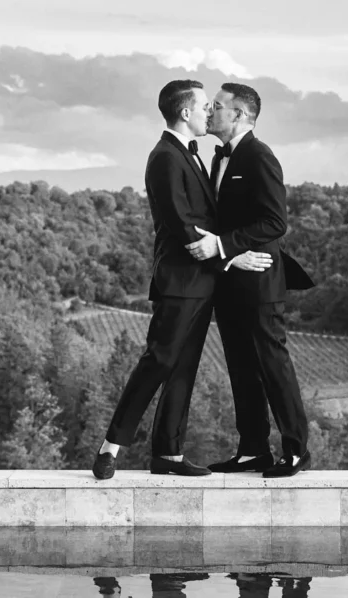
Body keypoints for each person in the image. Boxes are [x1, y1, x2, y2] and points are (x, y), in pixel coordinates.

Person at [93, 79, 269, 479]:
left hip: (200, 283)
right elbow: (183, 227)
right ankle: (111, 447)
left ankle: (167, 455)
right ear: (185, 113)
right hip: (181, 282)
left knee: (183, 368)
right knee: (158, 362)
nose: (211, 112)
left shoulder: (190, 154)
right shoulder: (165, 157)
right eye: (206, 106)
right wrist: (232, 259)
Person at [185, 82, 316, 478]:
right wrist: (228, 256)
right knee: (241, 367)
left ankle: (296, 451)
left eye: (218, 107)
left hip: (260, 280)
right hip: (230, 279)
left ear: (239, 115)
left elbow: (276, 222)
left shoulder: (260, 156)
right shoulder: (218, 158)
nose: (210, 112)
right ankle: (253, 449)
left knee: (273, 365)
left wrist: (224, 245)